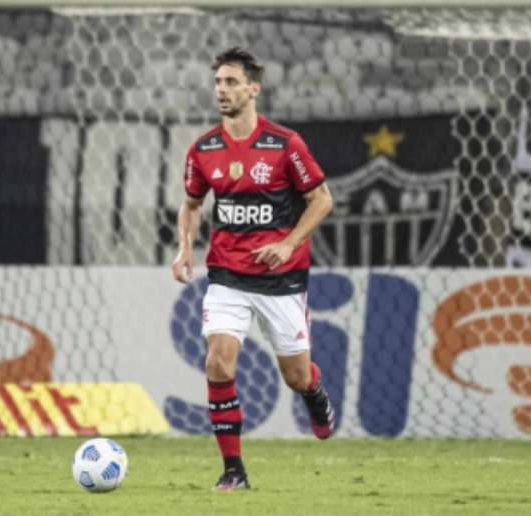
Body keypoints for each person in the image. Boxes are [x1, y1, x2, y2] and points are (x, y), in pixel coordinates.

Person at [171, 47, 335, 492]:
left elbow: (322, 200)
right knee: (219, 365)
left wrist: (288, 243)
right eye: (218, 83)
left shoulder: (285, 145)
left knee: (296, 376)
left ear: (253, 89)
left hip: (282, 279)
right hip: (227, 275)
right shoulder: (203, 149)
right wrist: (185, 248)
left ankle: (314, 393)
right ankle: (234, 471)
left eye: (230, 83)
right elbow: (191, 205)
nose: (221, 91)